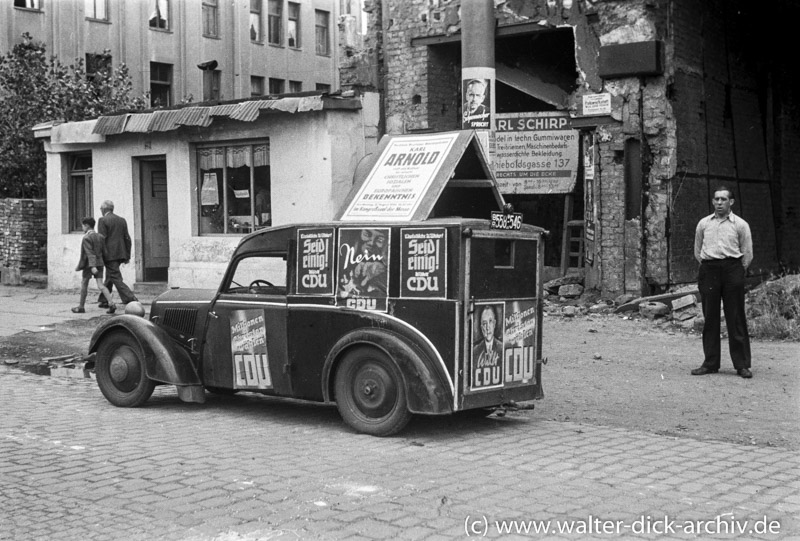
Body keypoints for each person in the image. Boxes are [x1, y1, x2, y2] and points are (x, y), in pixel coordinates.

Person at [692, 186, 753, 379]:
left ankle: (742, 365)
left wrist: (735, 270)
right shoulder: (703, 224)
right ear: (713, 202)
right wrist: (709, 266)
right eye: (716, 199)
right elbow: (697, 250)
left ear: (731, 202)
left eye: (723, 200)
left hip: (732, 269)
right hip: (709, 269)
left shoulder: (740, 225)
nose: (719, 203)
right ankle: (710, 363)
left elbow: (747, 253)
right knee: (710, 317)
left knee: (735, 317)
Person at [96, 200, 138, 307]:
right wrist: (127, 255)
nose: (100, 211)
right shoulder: (121, 220)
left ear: (104, 209)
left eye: (101, 209)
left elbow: (102, 239)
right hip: (121, 253)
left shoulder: (102, 220)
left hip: (109, 254)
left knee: (115, 276)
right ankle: (104, 299)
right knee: (110, 275)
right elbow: (127, 238)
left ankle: (130, 298)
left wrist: (98, 255)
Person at [73, 217, 116, 314]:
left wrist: (92, 266)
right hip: (100, 264)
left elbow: (89, 253)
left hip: (89, 266)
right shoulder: (100, 236)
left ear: (87, 226)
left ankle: (81, 306)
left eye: (83, 226)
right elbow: (105, 252)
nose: (82, 228)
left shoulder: (86, 238)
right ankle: (111, 303)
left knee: (84, 283)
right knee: (101, 285)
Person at [472, 304, 503, 368]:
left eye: (490, 321)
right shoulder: (475, 351)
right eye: (484, 323)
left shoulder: (502, 348)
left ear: (494, 324)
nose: (487, 327)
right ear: (481, 327)